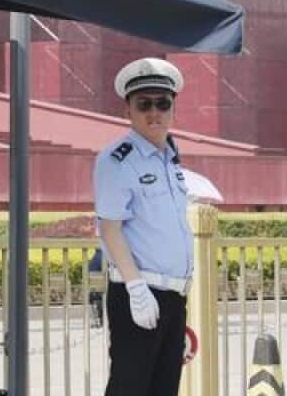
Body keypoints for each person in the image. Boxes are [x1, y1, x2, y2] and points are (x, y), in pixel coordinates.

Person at [94, 57, 192, 396]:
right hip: (140, 293)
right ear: (128, 110)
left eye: (162, 104)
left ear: (173, 108)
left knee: (164, 389)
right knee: (130, 388)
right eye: (144, 104)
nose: (154, 112)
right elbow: (110, 228)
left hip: (174, 296)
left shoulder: (171, 159)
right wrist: (136, 288)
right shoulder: (117, 160)